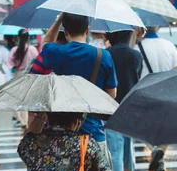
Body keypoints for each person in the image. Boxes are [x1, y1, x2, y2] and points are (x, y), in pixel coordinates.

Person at [38, 13, 118, 156]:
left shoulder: (58, 53)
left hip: (62, 133)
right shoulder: (103, 56)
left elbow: (46, 43)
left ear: (65, 31)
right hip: (93, 133)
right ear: (87, 30)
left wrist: (59, 19)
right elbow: (112, 95)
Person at [136, 26, 177, 171]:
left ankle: (155, 151)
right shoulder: (168, 45)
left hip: (145, 92)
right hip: (166, 92)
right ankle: (160, 155)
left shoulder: (137, 47)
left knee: (143, 129)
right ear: (158, 27)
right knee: (165, 130)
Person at [106, 30, 143, 171]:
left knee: (115, 147)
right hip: (130, 104)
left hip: (110, 104)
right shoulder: (135, 55)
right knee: (129, 144)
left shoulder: (105, 54)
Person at [7, 30, 38, 128]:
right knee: (27, 100)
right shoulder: (32, 49)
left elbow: (9, 64)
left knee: (17, 99)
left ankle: (21, 119)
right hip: (29, 75)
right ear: (28, 38)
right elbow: (37, 62)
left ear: (18, 38)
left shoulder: (14, 50)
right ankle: (26, 121)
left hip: (18, 74)